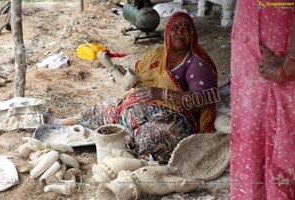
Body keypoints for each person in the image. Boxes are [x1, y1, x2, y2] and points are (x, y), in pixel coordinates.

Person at [44, 12, 218, 163]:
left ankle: (131, 154)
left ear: (192, 34)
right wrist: (120, 73)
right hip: (139, 108)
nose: (179, 31)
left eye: (185, 28)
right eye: (175, 27)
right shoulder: (157, 54)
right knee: (106, 108)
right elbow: (138, 78)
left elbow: (199, 101)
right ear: (167, 33)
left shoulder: (196, 63)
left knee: (148, 137)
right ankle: (61, 123)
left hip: (174, 119)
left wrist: (162, 93)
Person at [230, 1, 295, 199]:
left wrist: (289, 65)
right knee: (250, 138)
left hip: (283, 54)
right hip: (247, 46)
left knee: (284, 143)